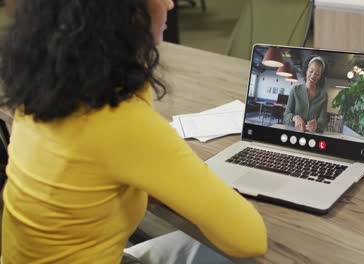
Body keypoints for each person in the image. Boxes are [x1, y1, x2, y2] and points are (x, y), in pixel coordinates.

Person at [0, 0, 267, 263]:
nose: (170, 5)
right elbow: (250, 238)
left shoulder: (41, 95)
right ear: (123, 12)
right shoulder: (119, 122)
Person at [283, 56, 328, 133]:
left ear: (320, 76)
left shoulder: (323, 95)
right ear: (306, 71)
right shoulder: (295, 90)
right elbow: (286, 116)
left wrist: (317, 124)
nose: (313, 76)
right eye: (311, 71)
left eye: (317, 74)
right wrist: (295, 117)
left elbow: (323, 122)